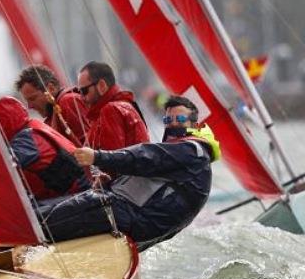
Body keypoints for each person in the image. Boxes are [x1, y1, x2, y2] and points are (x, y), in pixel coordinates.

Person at [36, 96, 220, 251]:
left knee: (40, 220)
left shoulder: (191, 151)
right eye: (167, 120)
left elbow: (142, 157)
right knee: (50, 207)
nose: (172, 124)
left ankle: (21, 235)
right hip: (132, 216)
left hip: (133, 218)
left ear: (195, 125)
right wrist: (110, 182)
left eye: (179, 120)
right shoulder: (181, 154)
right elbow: (150, 178)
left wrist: (97, 157)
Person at [0, 96, 90, 200]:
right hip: (81, 187)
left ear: (0, 125)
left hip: (74, 196)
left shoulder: (24, 139)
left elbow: (3, 168)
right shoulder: (34, 126)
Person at [76, 61, 150, 150]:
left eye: (84, 91)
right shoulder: (124, 105)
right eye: (79, 92)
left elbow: (112, 159)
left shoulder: (111, 110)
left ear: (102, 86)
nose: (81, 97)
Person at [15, 64, 88, 146]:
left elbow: (90, 145)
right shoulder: (51, 119)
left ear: (51, 88)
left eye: (33, 99)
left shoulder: (67, 102)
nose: (30, 106)